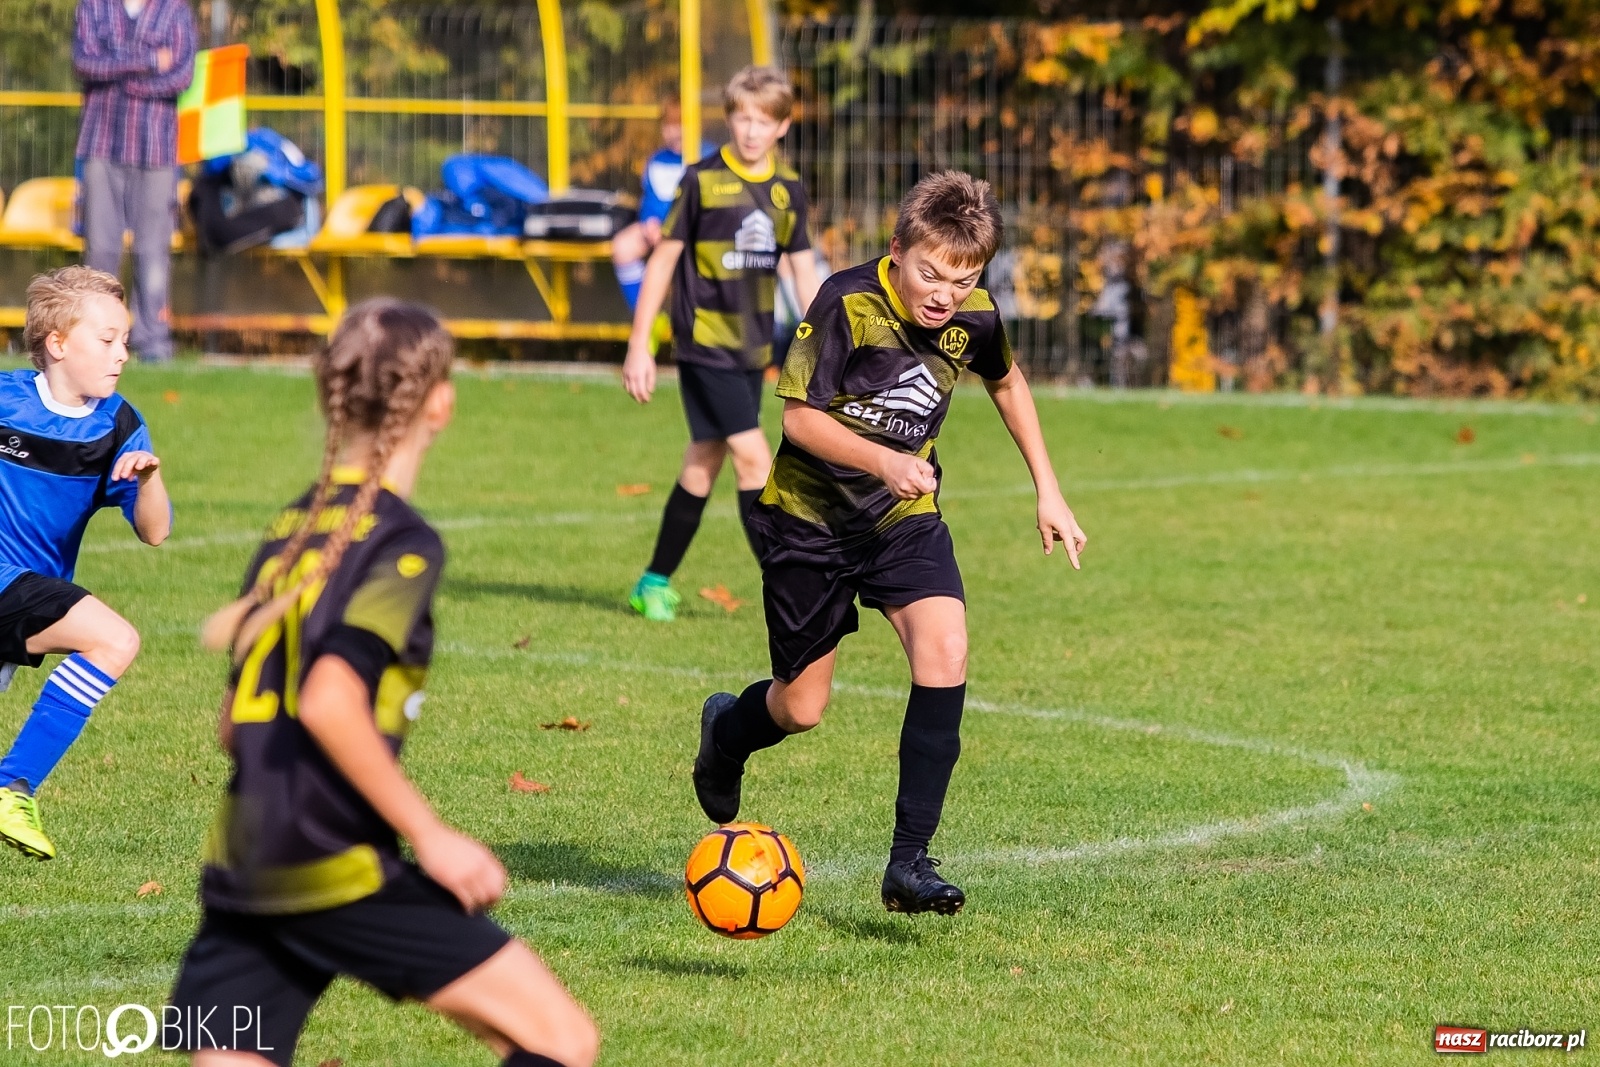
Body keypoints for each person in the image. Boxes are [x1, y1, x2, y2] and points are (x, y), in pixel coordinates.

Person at [172, 301, 598, 1067]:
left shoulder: (291, 527)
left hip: (243, 859)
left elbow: (234, 725)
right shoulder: (402, 540)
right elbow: (328, 696)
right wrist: (431, 836)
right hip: (332, 863)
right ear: (441, 402)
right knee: (561, 1041)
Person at [691, 172, 1088, 915]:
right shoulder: (846, 302)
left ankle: (909, 863)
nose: (945, 295)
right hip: (808, 522)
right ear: (898, 249)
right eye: (931, 274)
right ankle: (727, 733)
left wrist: (1049, 488)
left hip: (901, 520)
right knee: (800, 708)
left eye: (964, 279)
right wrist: (883, 460)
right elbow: (798, 419)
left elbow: (1007, 382)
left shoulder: (976, 317)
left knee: (947, 650)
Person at [621, 66, 822, 623]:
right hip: (703, 342)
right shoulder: (701, 180)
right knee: (753, 456)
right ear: (729, 118)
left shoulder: (788, 190)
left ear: (783, 126)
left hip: (752, 348)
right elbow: (662, 261)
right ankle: (787, 590)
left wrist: (826, 341)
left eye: (764, 121)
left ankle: (653, 582)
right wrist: (640, 344)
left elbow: (802, 272)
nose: (752, 131)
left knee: (703, 462)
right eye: (743, 118)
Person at [0, 266, 171, 861]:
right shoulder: (5, 401)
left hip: (25, 599)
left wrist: (149, 479)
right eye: (106, 339)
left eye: (125, 339)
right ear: (57, 344)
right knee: (114, 639)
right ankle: (12, 786)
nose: (121, 353)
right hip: (10, 587)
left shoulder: (117, 425)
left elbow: (155, 533)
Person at [72, 0, 197, 362]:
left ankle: (152, 341)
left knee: (152, 249)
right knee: (100, 249)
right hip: (100, 144)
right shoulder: (93, 7)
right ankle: (97, 338)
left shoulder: (175, 11)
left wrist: (118, 73)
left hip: (156, 149)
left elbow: (181, 76)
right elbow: (84, 64)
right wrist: (148, 61)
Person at [610, 100, 709, 312]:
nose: (673, 133)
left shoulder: (708, 157)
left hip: (696, 231)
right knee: (623, 246)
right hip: (661, 231)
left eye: (679, 126)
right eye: (668, 126)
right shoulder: (657, 160)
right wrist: (650, 222)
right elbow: (650, 200)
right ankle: (649, 317)